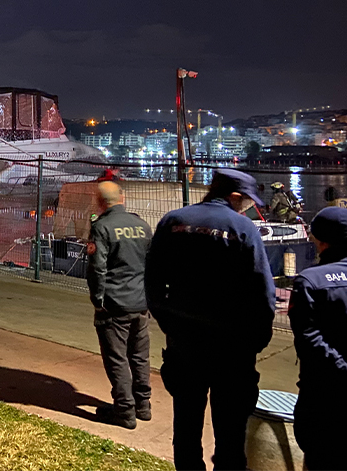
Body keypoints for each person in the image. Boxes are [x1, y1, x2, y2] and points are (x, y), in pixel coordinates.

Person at [145, 169, 275, 470]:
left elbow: (152, 281)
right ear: (235, 196)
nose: (246, 207)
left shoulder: (173, 222)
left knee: (186, 425)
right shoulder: (243, 228)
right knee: (231, 432)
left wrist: (169, 323)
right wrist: (257, 338)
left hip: (184, 344)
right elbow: (263, 291)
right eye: (246, 201)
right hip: (232, 348)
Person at [86, 181, 152, 429]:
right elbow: (151, 264)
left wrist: (98, 300)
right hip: (140, 303)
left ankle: (124, 410)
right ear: (122, 198)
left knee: (117, 359)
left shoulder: (101, 228)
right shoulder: (142, 226)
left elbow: (97, 268)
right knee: (139, 356)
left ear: (100, 202)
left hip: (114, 304)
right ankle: (143, 405)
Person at [288, 207, 347, 470]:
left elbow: (308, 338)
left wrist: (341, 367)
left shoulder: (310, 280)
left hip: (323, 396)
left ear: (321, 241)